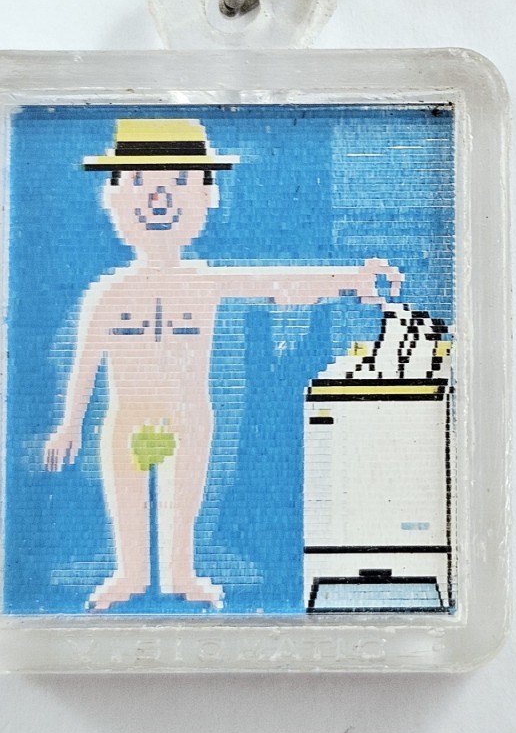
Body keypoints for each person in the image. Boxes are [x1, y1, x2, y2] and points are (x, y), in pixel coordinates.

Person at [42, 117, 402, 611]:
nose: (159, 198)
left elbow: (274, 285)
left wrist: (350, 278)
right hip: (126, 418)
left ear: (206, 196)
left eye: (180, 182)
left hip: (188, 415)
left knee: (184, 494)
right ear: (113, 196)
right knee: (127, 494)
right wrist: (69, 424)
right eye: (140, 181)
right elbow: (86, 361)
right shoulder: (109, 293)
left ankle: (180, 572)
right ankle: (129, 574)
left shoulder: (203, 282)